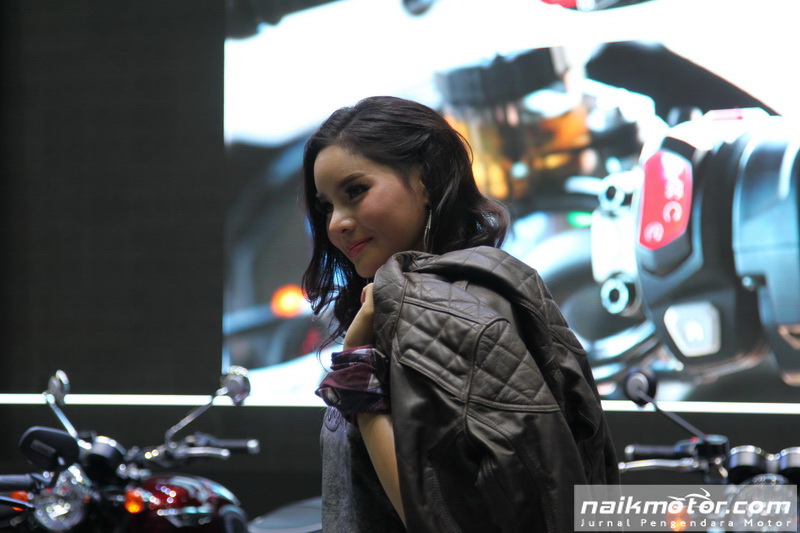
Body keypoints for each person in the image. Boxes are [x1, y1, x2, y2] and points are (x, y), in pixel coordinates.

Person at [301, 95, 619, 532]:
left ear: (426, 178)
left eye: (355, 191)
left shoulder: (425, 304)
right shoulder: (486, 282)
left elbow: (432, 516)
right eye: (326, 206)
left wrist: (357, 377)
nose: (336, 222)